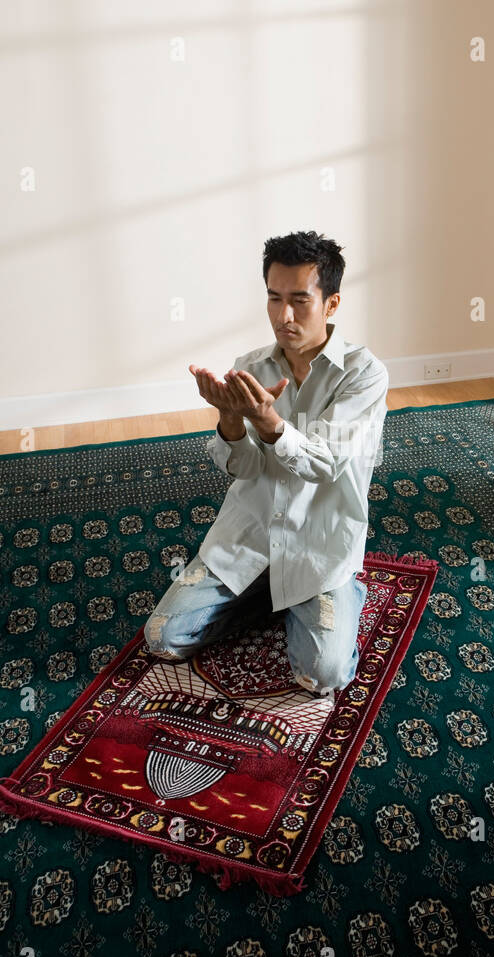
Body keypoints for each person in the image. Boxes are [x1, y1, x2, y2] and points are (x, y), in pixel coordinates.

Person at [144, 230, 390, 699]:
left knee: (324, 676)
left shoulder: (364, 375)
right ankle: (269, 595)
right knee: (163, 639)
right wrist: (230, 420)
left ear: (331, 304)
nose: (284, 315)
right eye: (274, 299)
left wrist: (271, 422)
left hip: (320, 546)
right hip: (250, 535)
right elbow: (243, 469)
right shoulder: (251, 366)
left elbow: (325, 464)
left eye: (300, 300)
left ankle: (342, 592)